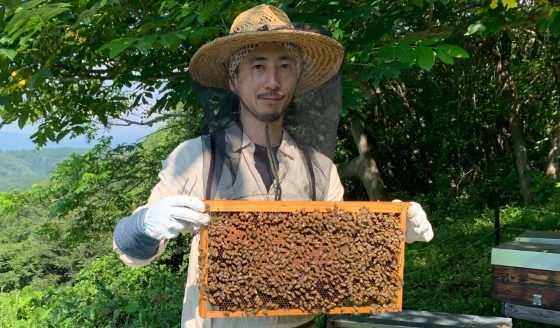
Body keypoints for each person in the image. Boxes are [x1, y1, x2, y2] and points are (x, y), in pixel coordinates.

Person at [113, 4, 433, 328]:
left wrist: (388, 233)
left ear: (297, 77)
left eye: (284, 66)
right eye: (258, 66)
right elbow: (131, 254)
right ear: (234, 79)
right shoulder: (196, 159)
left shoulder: (321, 170)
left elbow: (337, 259)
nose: (272, 81)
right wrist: (144, 225)